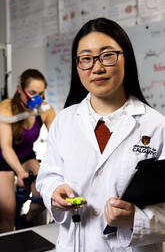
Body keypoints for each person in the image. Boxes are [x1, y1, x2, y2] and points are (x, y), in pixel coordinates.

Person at [36, 18, 165, 252]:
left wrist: (135, 220)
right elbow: (47, 177)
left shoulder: (156, 126)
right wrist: (54, 191)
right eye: (85, 58)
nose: (96, 68)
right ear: (77, 66)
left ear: (126, 57)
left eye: (107, 55)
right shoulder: (64, 121)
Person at [0, 68, 55, 233]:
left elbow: (58, 139)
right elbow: (6, 147)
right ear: (20, 90)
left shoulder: (44, 109)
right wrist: (20, 172)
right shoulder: (7, 107)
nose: (37, 98)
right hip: (3, 159)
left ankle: (27, 221)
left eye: (41, 93)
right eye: (32, 92)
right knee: (8, 212)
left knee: (44, 195)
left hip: (26, 156)